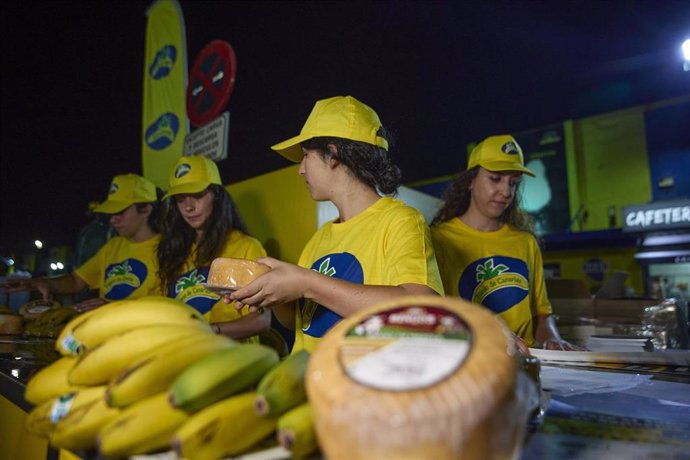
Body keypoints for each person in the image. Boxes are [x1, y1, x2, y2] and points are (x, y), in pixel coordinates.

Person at [227, 95, 444, 353]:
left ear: (332, 154)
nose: (301, 170)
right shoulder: (319, 238)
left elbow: (419, 312)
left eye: (306, 155)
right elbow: (298, 322)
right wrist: (272, 291)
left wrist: (306, 282)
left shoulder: (401, 221)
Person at [431, 134, 581, 351]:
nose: (506, 192)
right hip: (471, 359)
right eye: (495, 178)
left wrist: (553, 339)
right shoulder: (439, 239)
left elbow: (541, 315)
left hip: (527, 362)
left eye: (513, 183)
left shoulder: (526, 242)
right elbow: (436, 314)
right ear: (471, 180)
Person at [3, 174, 162, 312]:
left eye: (120, 211)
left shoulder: (169, 248)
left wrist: (113, 306)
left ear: (146, 210)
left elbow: (173, 304)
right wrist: (43, 283)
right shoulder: (114, 246)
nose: (113, 219)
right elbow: (77, 281)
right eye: (111, 213)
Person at [157, 155, 270, 341]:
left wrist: (209, 331)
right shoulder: (173, 250)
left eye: (197, 195)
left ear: (216, 194)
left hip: (233, 360)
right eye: (180, 199)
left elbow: (261, 320)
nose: (188, 207)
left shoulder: (246, 247)